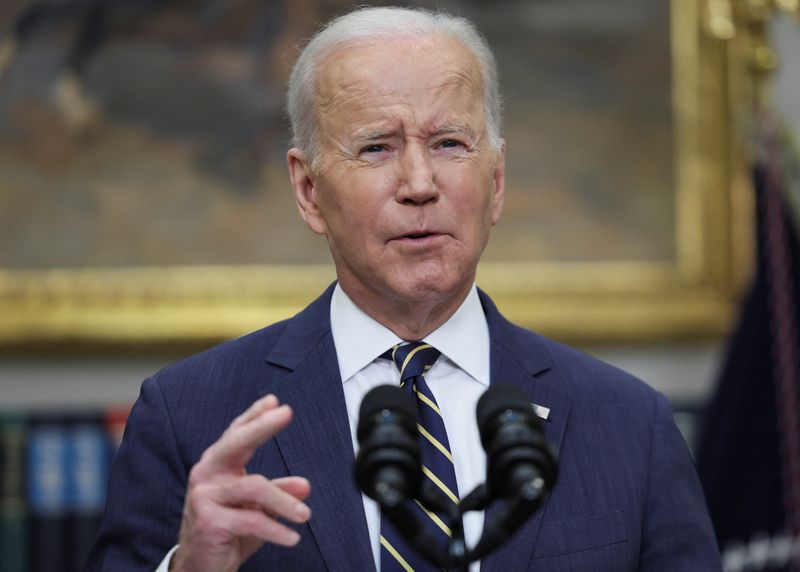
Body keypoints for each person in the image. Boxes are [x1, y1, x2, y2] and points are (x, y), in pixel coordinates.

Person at [86, 6, 721, 571]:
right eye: (377, 149)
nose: (419, 183)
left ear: (496, 182)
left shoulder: (629, 424)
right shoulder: (189, 416)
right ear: (309, 191)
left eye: (449, 143)